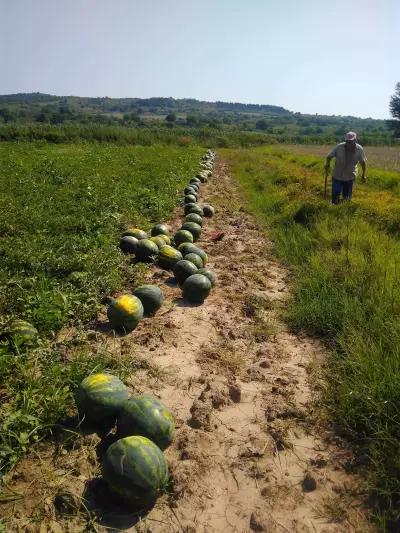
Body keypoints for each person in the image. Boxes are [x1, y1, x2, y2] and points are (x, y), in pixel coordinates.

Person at [325, 132, 367, 204]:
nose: (348, 143)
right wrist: (327, 164)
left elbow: (363, 163)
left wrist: (363, 175)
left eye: (350, 141)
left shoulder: (359, 149)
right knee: (335, 194)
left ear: (355, 140)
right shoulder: (339, 147)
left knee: (346, 196)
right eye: (347, 141)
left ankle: (344, 209)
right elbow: (329, 156)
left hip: (350, 176)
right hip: (337, 174)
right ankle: (334, 208)